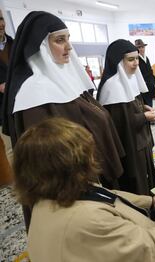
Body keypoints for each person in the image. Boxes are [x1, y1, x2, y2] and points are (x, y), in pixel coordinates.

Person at [13, 118, 155, 262]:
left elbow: (109, 196)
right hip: (146, 247)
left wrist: (152, 200)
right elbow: (148, 248)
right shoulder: (87, 220)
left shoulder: (49, 195)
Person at [1, 11, 124, 226]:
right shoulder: (34, 94)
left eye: (68, 39)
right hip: (69, 197)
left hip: (89, 180)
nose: (68, 47)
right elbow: (49, 167)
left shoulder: (67, 78)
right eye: (59, 40)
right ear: (40, 46)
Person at [97, 39, 155, 196]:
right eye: (130, 59)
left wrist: (142, 107)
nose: (136, 63)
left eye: (137, 58)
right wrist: (144, 117)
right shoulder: (112, 86)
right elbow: (118, 124)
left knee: (147, 179)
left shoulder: (130, 79)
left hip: (141, 143)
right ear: (118, 61)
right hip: (129, 148)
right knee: (136, 184)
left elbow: (130, 108)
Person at [0, 8, 13, 186]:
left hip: (22, 106)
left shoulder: (16, 44)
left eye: (1, 18)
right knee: (11, 150)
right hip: (1, 112)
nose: (0, 24)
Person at [135, 39, 155, 107]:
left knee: (150, 104)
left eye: (142, 47)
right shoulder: (136, 59)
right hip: (142, 87)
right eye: (139, 47)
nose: (141, 49)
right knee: (144, 106)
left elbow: (150, 70)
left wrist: (154, 81)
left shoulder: (146, 58)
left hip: (150, 86)